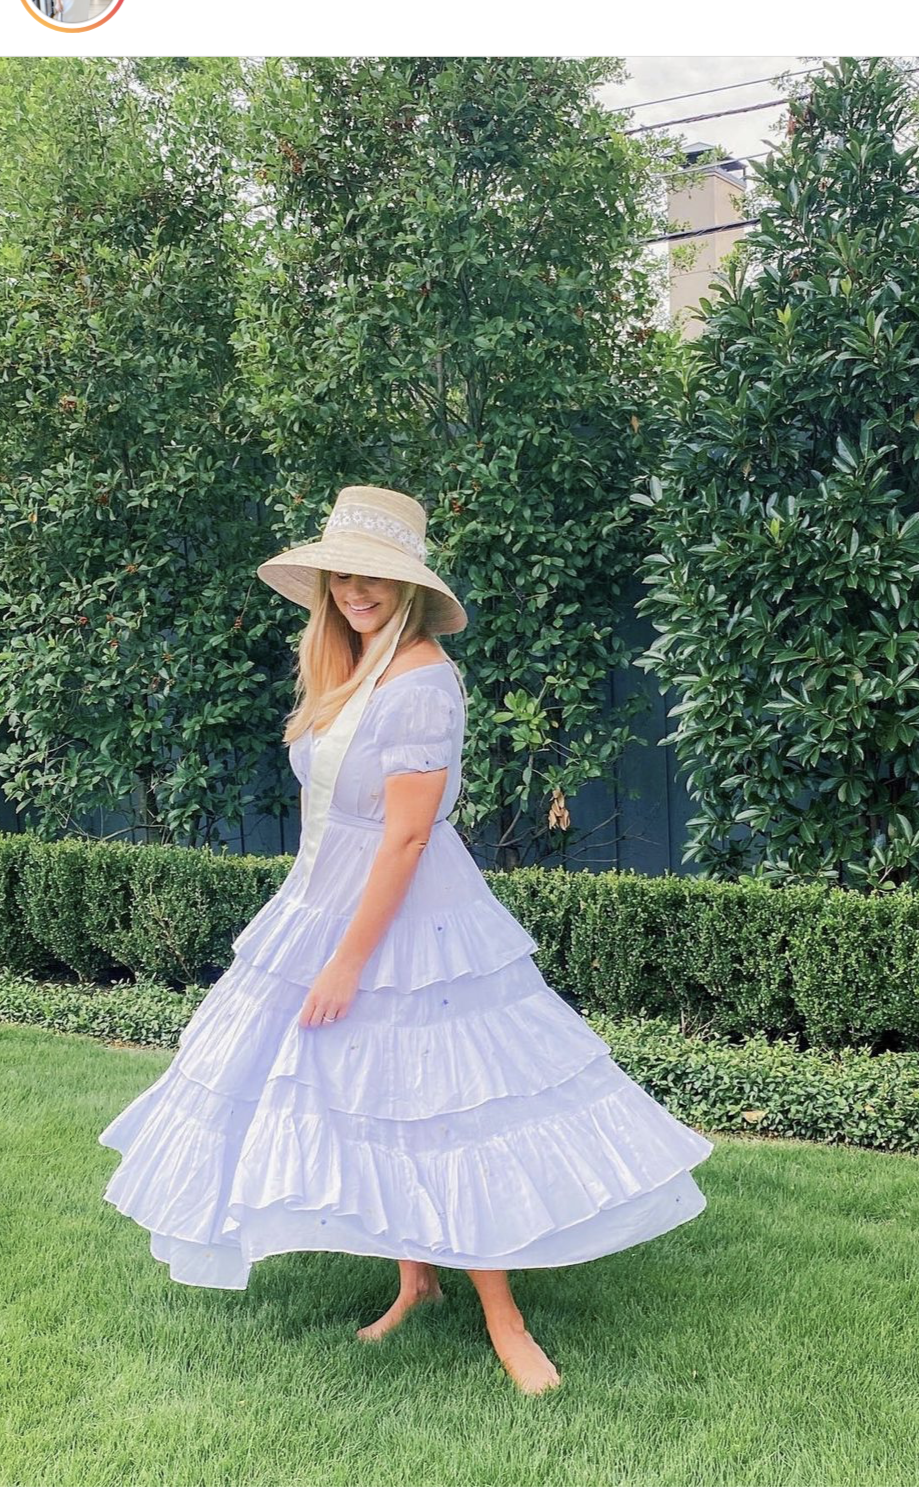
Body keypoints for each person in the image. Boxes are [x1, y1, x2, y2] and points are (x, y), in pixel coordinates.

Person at [98, 485, 713, 1394]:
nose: (355, 590)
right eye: (342, 574)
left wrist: (347, 958)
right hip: (326, 897)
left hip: (407, 914)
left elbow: (408, 835)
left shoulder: (421, 679)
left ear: (410, 588)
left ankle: (504, 1316)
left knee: (446, 1097)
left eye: (374, 577)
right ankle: (417, 1280)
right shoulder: (348, 669)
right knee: (373, 1087)